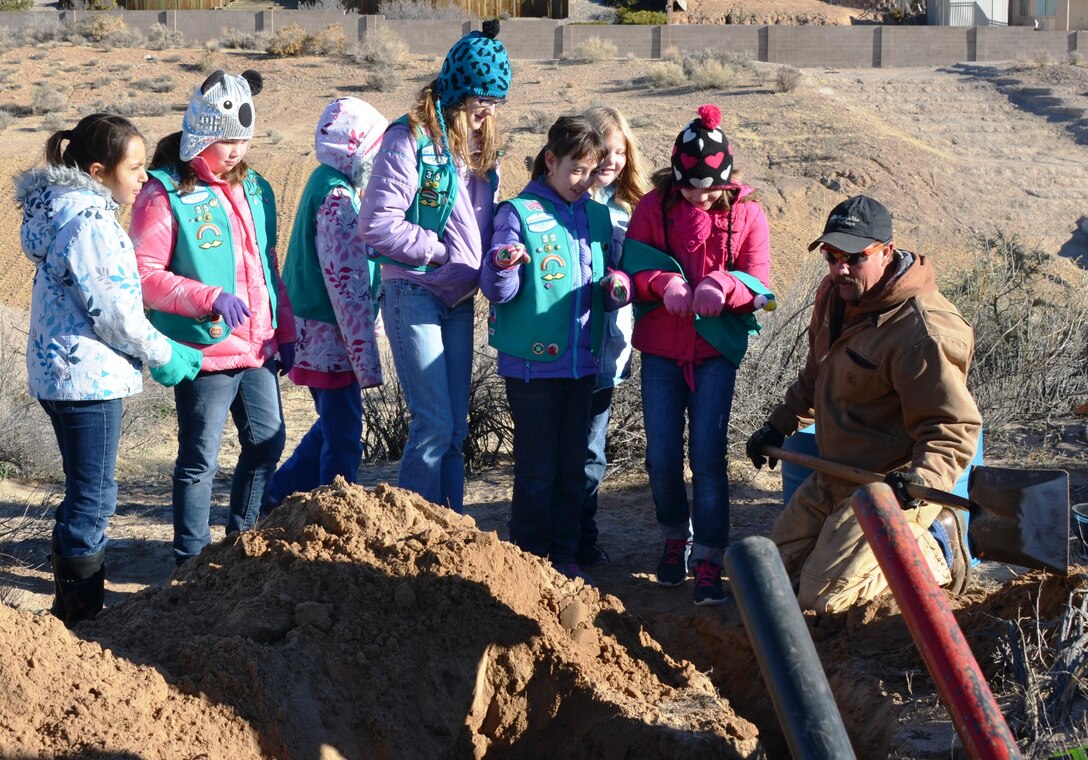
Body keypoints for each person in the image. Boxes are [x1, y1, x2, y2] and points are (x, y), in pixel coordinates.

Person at [745, 195, 981, 615]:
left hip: (890, 490)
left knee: (821, 603)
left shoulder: (923, 332)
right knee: (762, 582)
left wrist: (915, 484)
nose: (839, 268)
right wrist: (778, 425)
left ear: (886, 252)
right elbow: (817, 372)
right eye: (831, 255)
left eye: (854, 257)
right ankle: (841, 551)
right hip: (836, 474)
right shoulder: (836, 294)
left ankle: (938, 546)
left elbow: (954, 429)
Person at [16, 114, 203, 625]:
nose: (145, 177)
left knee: (83, 491)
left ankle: (69, 609)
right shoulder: (92, 225)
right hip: (86, 381)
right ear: (98, 171)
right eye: (136, 167)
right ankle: (81, 617)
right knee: (94, 499)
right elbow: (116, 315)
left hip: (62, 374)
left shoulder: (63, 213)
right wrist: (164, 352)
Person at [131, 70, 296, 566]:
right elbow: (143, 275)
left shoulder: (256, 187)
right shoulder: (163, 193)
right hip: (203, 351)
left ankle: (242, 543)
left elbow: (267, 265)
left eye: (242, 139)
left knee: (267, 442)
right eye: (226, 139)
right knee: (199, 460)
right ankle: (190, 560)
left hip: (256, 348)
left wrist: (284, 328)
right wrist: (208, 298)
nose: (235, 150)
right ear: (200, 133)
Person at [621, 104, 772, 606]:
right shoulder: (651, 208)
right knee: (662, 456)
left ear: (727, 180)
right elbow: (634, 269)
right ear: (674, 176)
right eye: (689, 186)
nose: (700, 195)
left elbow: (760, 284)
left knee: (707, 456)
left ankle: (708, 555)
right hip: (662, 351)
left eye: (710, 187)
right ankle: (674, 537)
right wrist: (663, 283)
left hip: (716, 351)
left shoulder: (748, 214)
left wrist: (723, 284)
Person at [359, 21, 509, 514]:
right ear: (456, 89)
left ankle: (451, 529)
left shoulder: (482, 153)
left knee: (456, 426)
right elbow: (377, 224)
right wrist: (441, 252)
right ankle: (412, 532)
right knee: (433, 423)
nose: (486, 107)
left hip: (460, 298)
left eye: (495, 98)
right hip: (415, 292)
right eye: (479, 95)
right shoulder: (408, 141)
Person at [480, 115, 617, 583]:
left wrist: (620, 286)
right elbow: (497, 291)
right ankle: (531, 555)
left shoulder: (598, 218)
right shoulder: (516, 214)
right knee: (538, 468)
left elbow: (614, 276)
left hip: (582, 365)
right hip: (532, 369)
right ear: (551, 161)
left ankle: (566, 551)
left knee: (572, 466)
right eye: (575, 170)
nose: (583, 182)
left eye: (591, 171)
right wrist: (503, 264)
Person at [265, 98, 388, 510]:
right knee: (344, 432)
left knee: (332, 423)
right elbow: (347, 285)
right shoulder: (338, 199)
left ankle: (278, 494)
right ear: (356, 148)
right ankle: (335, 510)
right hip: (331, 335)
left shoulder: (325, 180)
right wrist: (364, 355)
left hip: (314, 329)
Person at [574, 106, 649, 569]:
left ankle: (584, 538)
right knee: (559, 446)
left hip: (609, 351)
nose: (611, 160)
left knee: (591, 449)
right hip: (563, 347)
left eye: (620, 151)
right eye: (604, 148)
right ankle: (551, 537)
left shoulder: (631, 208)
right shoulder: (566, 198)